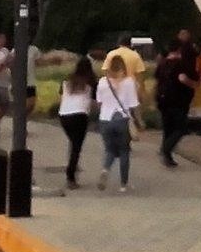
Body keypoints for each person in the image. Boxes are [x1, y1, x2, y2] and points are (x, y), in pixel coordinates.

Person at [96, 53, 143, 192]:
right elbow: (134, 104)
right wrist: (139, 121)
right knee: (124, 151)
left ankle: (105, 169)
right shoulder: (129, 82)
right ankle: (123, 184)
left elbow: (99, 102)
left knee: (110, 150)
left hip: (105, 119)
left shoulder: (102, 82)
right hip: (122, 119)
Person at [154, 35, 199, 167]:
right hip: (177, 99)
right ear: (180, 49)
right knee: (181, 128)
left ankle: (167, 156)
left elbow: (157, 79)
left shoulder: (162, 64)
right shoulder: (181, 65)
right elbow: (184, 79)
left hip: (162, 99)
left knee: (168, 127)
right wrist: (192, 84)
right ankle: (166, 149)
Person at [57, 56, 96, 189]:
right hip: (80, 115)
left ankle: (72, 166)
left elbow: (61, 97)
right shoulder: (90, 82)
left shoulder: (67, 80)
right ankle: (70, 175)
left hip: (64, 115)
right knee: (76, 146)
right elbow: (94, 101)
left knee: (73, 143)